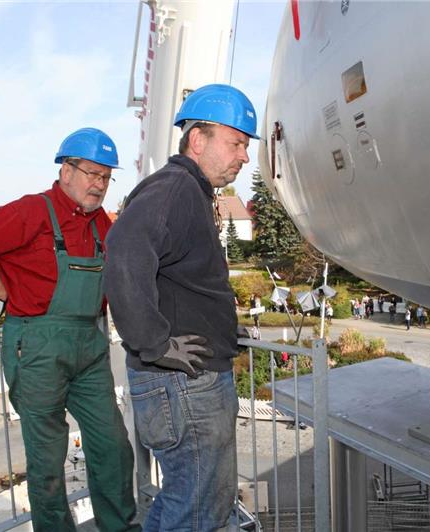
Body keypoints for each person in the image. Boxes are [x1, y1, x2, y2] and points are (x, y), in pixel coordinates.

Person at [0, 128, 139, 532]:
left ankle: (120, 526)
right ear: (66, 170)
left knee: (113, 446)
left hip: (90, 347)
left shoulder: (104, 225)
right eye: (92, 173)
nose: (99, 184)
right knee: (47, 459)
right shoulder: (30, 212)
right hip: (37, 348)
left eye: (106, 177)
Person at [103, 84, 258, 531]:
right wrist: (155, 343)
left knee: (205, 503)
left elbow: (181, 279)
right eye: (237, 143)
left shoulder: (189, 192)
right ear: (198, 140)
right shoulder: (174, 190)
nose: (244, 156)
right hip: (183, 386)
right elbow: (125, 254)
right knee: (192, 508)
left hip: (189, 382)